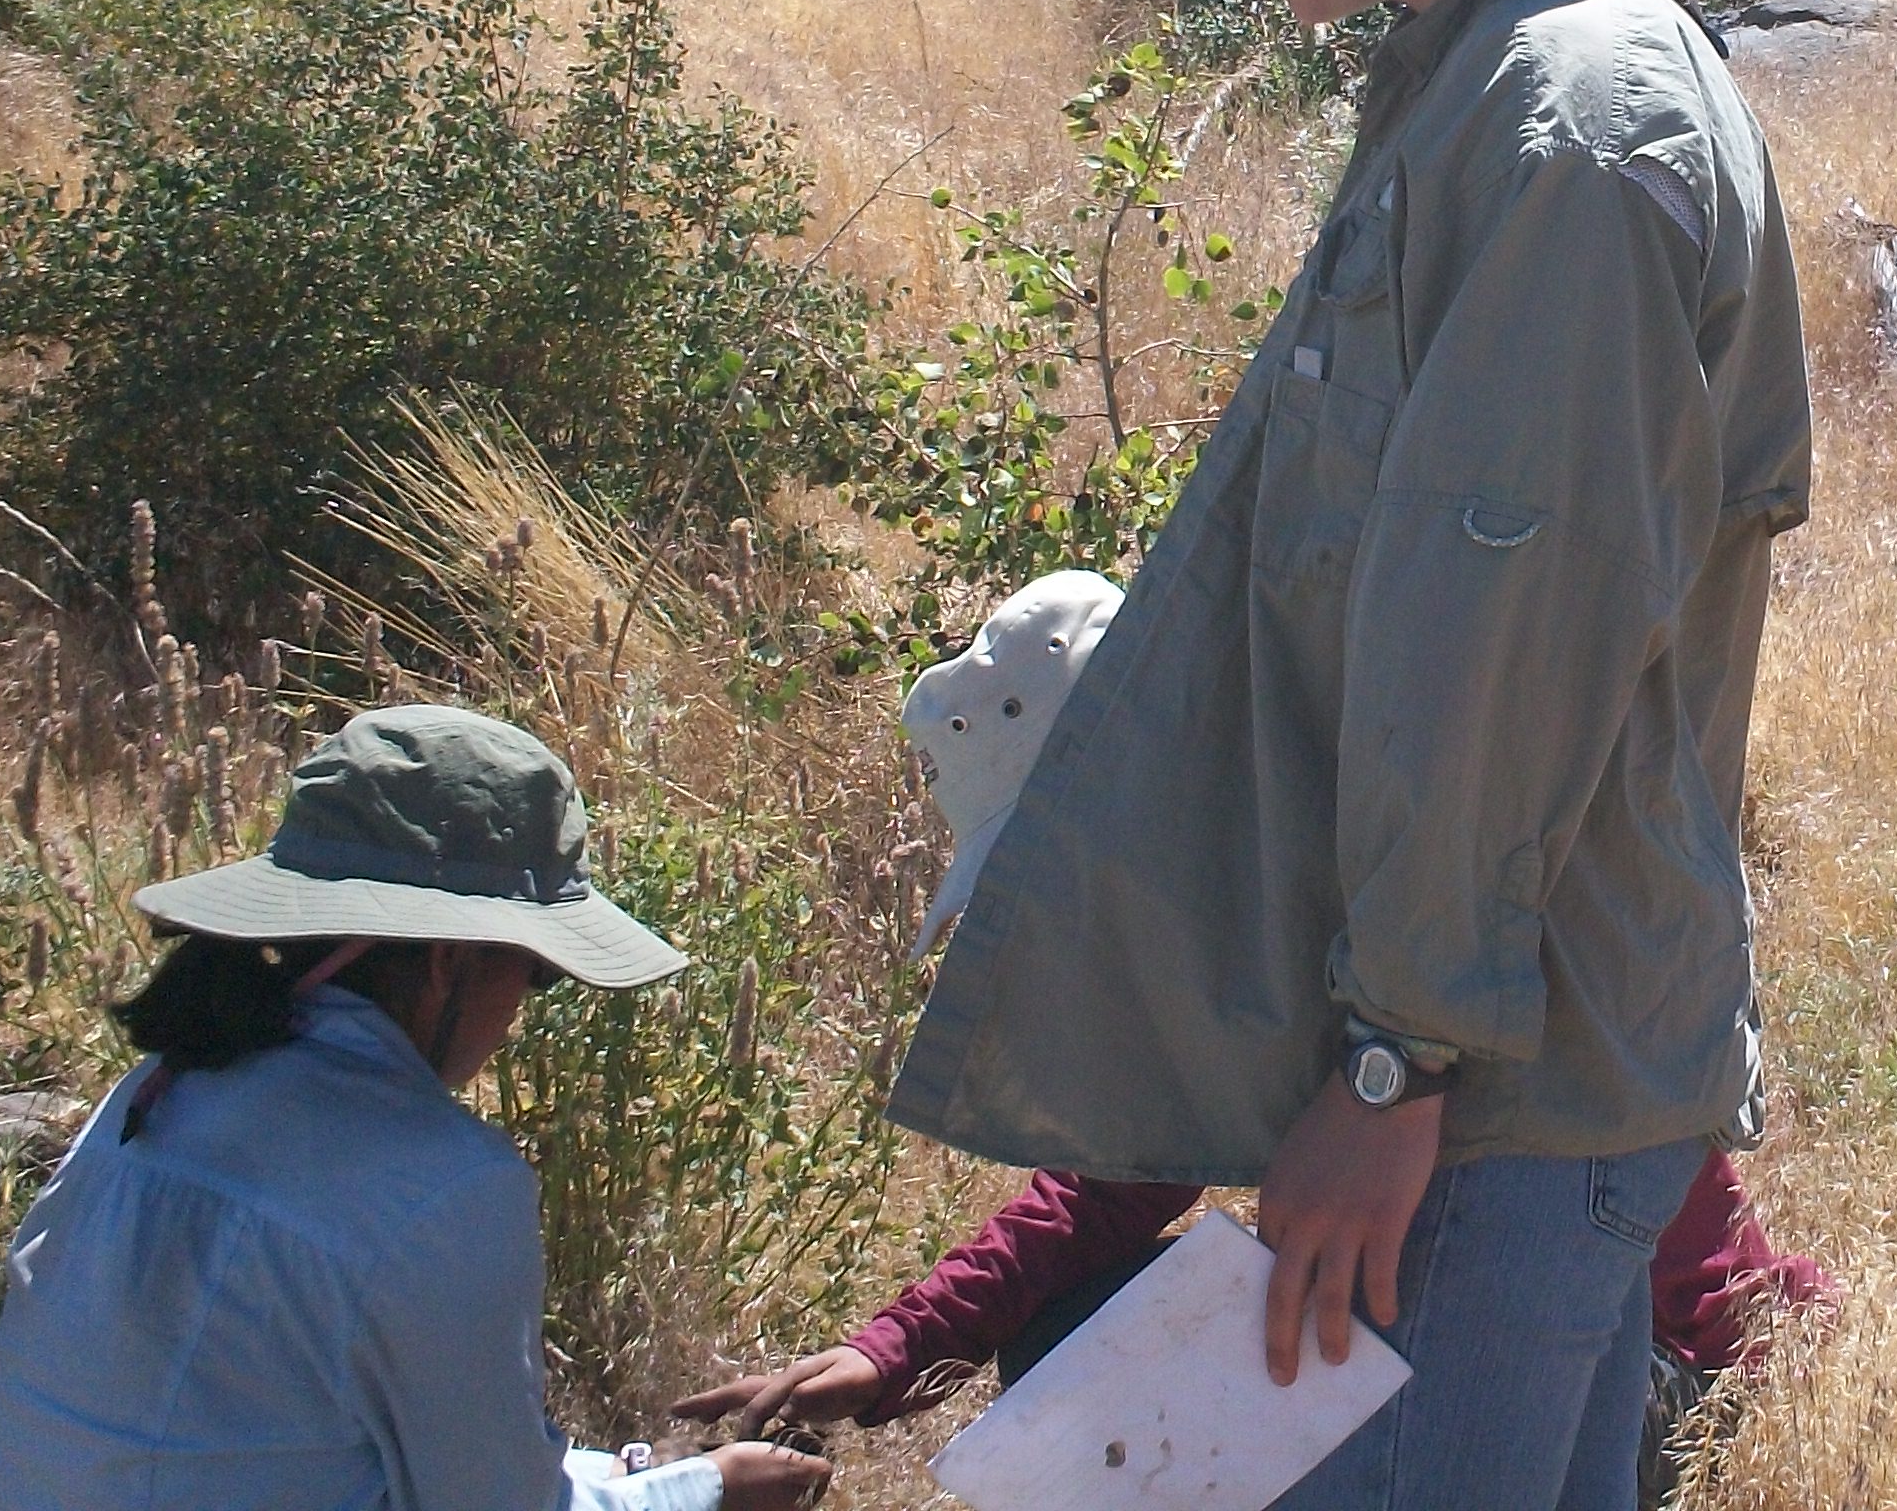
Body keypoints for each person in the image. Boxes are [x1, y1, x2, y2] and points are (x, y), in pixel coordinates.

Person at [881, 0, 1816, 1511]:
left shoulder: (1569, 118)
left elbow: (1509, 635)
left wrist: (1394, 1065)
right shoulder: (1496, 70)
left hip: (1500, 1099)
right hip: (1519, 1075)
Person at [676, 574, 1833, 1502]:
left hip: (1645, 1369)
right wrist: (895, 1349)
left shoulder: (1371, 880)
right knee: (1080, 1340)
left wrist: (1794, 1390)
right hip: (1534, 1311)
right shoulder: (1249, 885)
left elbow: (1589, 1186)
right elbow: (1115, 1188)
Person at [0, 703, 830, 1511]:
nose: (519, 1012)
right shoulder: (445, 1186)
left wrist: (627, 1474)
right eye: (535, 972)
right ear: (449, 962)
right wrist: (703, 1489)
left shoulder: (157, 1092)